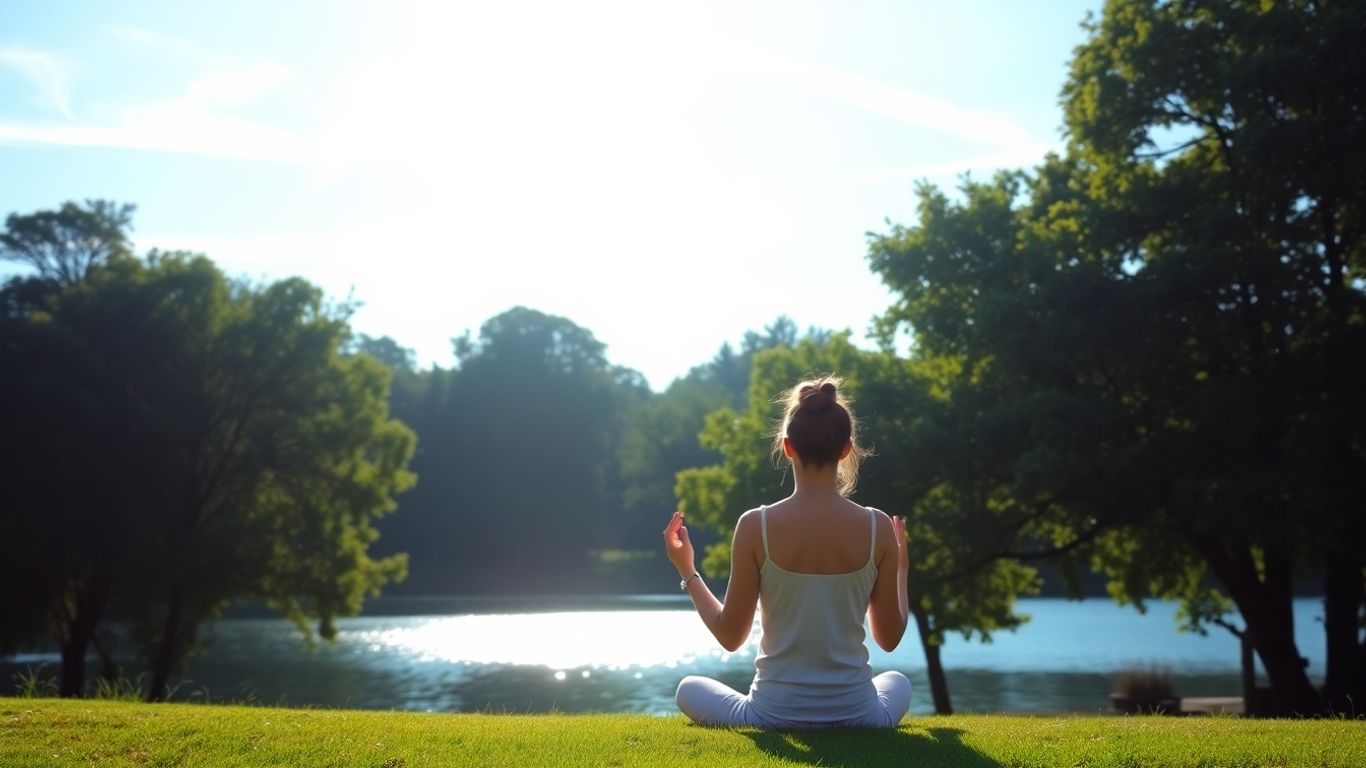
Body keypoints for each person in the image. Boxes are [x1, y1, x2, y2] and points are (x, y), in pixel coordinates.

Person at [663, 376, 911, 728]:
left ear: (787, 446)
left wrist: (687, 570)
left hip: (771, 715)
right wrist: (900, 568)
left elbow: (730, 636)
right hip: (860, 716)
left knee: (688, 687)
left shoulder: (755, 526)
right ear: (846, 449)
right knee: (898, 680)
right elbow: (889, 638)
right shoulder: (877, 527)